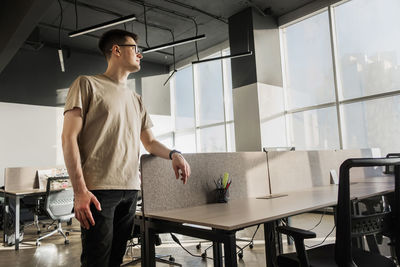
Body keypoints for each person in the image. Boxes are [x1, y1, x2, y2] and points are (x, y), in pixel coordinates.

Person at [61, 29, 191, 267]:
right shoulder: (87, 84)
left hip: (130, 191)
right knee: (96, 261)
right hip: (98, 192)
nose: (140, 55)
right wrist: (79, 190)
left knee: (116, 260)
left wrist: (174, 154)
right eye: (135, 49)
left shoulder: (136, 99)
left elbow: (149, 142)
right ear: (117, 50)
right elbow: (68, 138)